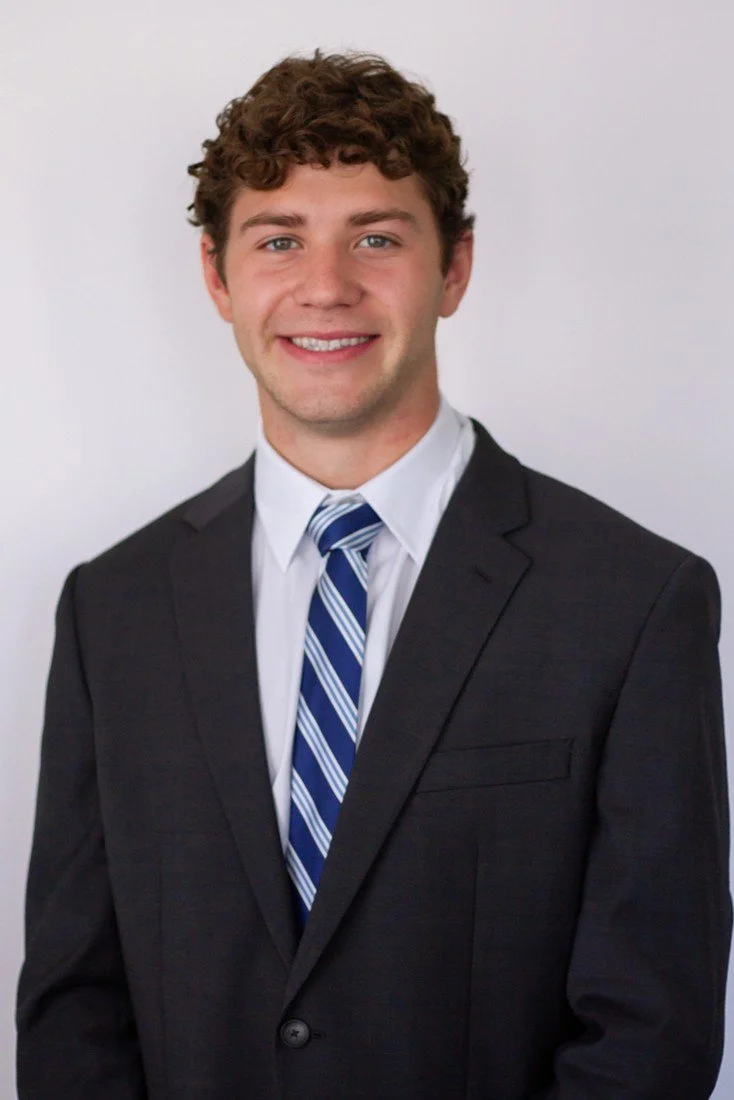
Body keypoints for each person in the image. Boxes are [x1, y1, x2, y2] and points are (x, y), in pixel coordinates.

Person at [16, 48, 731, 1100]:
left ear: (455, 267)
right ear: (216, 276)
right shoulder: (110, 609)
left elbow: (649, 1031)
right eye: (278, 239)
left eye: (376, 238)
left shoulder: (632, 602)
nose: (325, 287)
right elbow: (73, 1010)